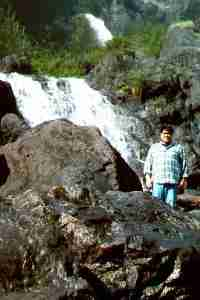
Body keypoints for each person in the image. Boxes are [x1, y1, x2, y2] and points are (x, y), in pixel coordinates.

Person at [144, 125, 188, 208]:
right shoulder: (154, 147)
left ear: (172, 135)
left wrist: (184, 179)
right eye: (165, 133)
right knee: (157, 207)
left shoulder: (178, 148)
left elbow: (184, 164)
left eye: (169, 133)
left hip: (172, 183)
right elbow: (147, 163)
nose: (167, 135)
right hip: (158, 182)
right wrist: (147, 178)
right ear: (161, 134)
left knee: (170, 208)